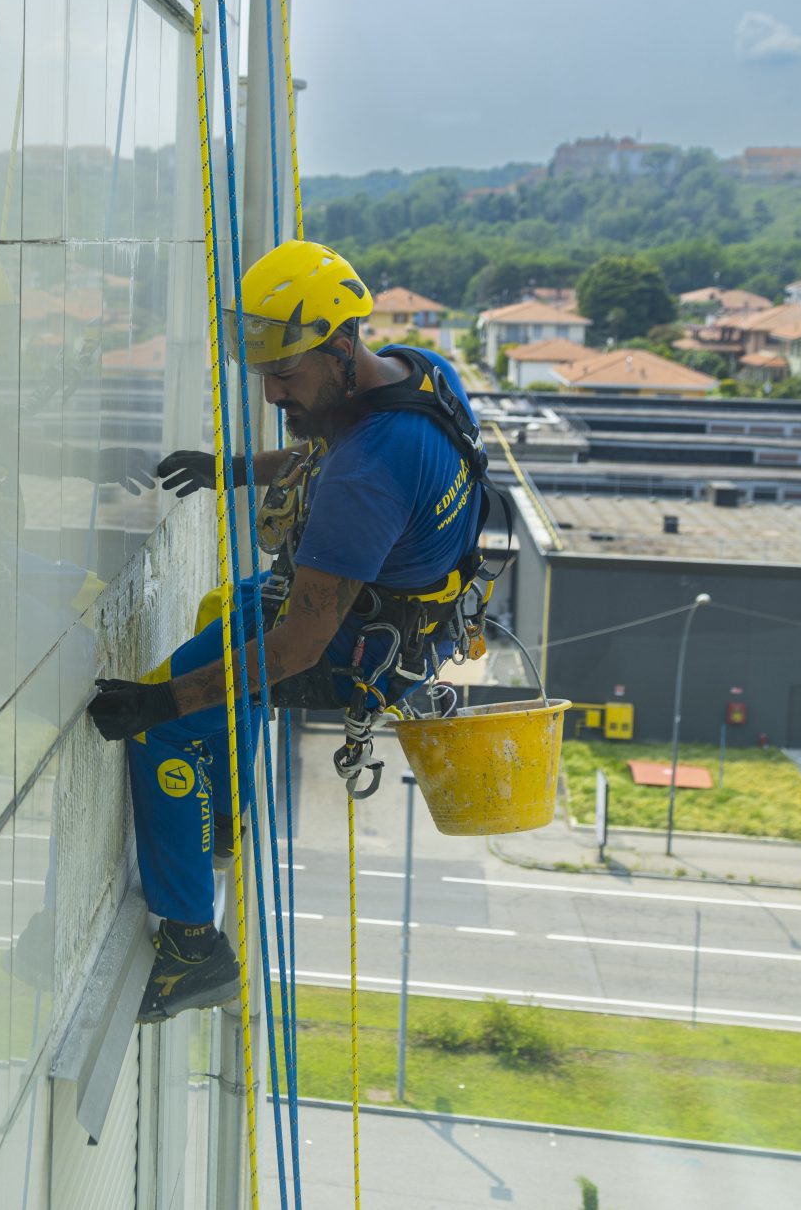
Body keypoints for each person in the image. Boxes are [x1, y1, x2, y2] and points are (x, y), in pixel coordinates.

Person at [85, 240, 494, 1022]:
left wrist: (157, 704)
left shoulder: (367, 476)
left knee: (166, 730)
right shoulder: (418, 371)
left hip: (355, 650)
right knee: (221, 615)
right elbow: (324, 443)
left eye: (288, 374)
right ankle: (225, 813)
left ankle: (192, 946)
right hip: (408, 616)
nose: (274, 393)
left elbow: (295, 650)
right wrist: (233, 469)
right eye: (266, 374)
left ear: (340, 348)